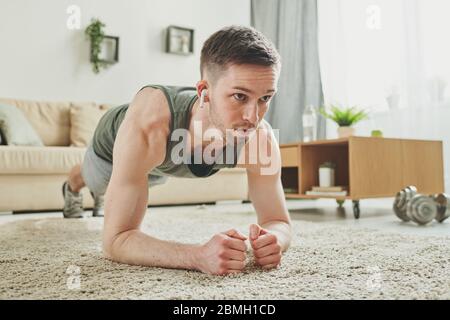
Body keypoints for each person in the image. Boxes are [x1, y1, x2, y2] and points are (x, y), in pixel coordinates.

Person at [62, 25, 292, 275]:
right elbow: (115, 241)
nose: (253, 117)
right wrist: (197, 256)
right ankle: (72, 185)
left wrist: (274, 240)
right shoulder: (151, 123)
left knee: (151, 176)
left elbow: (278, 221)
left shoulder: (261, 138)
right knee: (97, 183)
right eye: (239, 96)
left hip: (159, 162)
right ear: (205, 92)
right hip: (112, 147)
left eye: (265, 98)